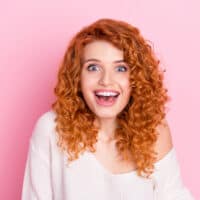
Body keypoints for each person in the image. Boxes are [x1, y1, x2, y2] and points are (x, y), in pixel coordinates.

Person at [21, 18, 194, 200]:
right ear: (77, 77)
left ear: (136, 79)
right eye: (93, 67)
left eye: (120, 68)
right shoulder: (51, 129)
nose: (106, 80)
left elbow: (174, 195)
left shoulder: (154, 131)